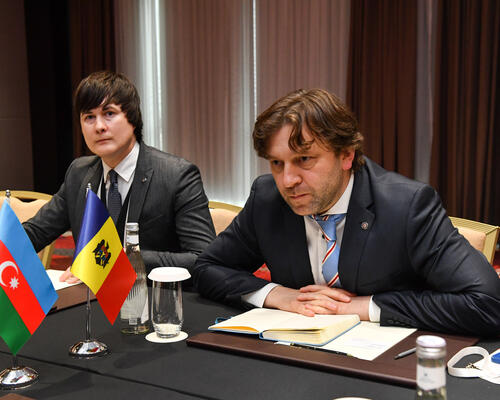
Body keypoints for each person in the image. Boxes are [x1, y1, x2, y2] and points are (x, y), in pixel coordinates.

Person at [193, 88, 500, 336]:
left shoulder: (407, 207)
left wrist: (364, 307)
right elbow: (207, 268)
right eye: (277, 163)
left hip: (386, 364)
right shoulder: (268, 199)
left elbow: (487, 303)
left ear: (346, 155)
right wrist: (277, 295)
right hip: (292, 357)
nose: (287, 181)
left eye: (304, 159)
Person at [24, 71, 216, 280]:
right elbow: (36, 232)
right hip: (89, 297)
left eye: (109, 113)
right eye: (89, 117)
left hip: (152, 296)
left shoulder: (176, 175)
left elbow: (203, 259)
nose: (99, 127)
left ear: (132, 119)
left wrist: (119, 262)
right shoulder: (78, 173)